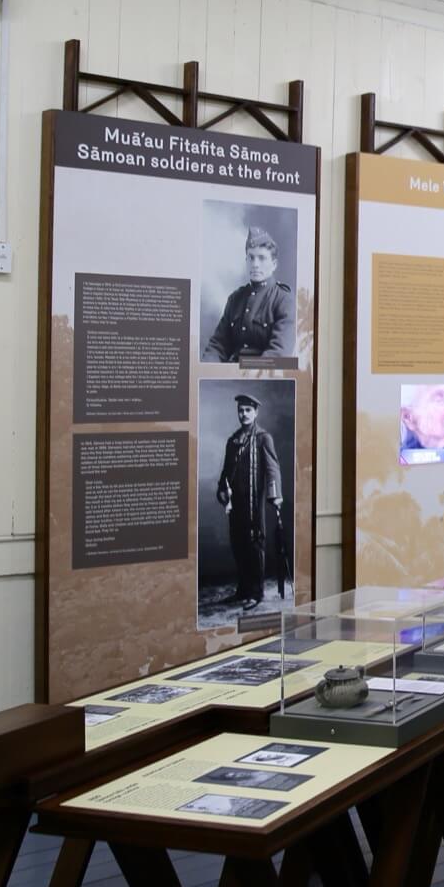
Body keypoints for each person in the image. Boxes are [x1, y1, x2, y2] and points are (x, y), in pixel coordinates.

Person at [217, 393, 283, 612]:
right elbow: (226, 471)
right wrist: (221, 490)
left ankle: (257, 592)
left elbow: (272, 468)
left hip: (254, 502)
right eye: (240, 410)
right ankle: (243, 589)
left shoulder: (263, 437)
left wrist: (275, 495)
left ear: (256, 412)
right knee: (239, 544)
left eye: (247, 410)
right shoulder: (233, 441)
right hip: (236, 503)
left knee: (255, 544)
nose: (243, 414)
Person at [203, 226, 293, 361]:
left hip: (264, 379)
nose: (255, 264)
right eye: (251, 257)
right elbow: (218, 345)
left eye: (262, 258)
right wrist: (207, 368)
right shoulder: (235, 299)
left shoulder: (284, 300)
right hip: (231, 375)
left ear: (274, 264)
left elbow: (279, 354)